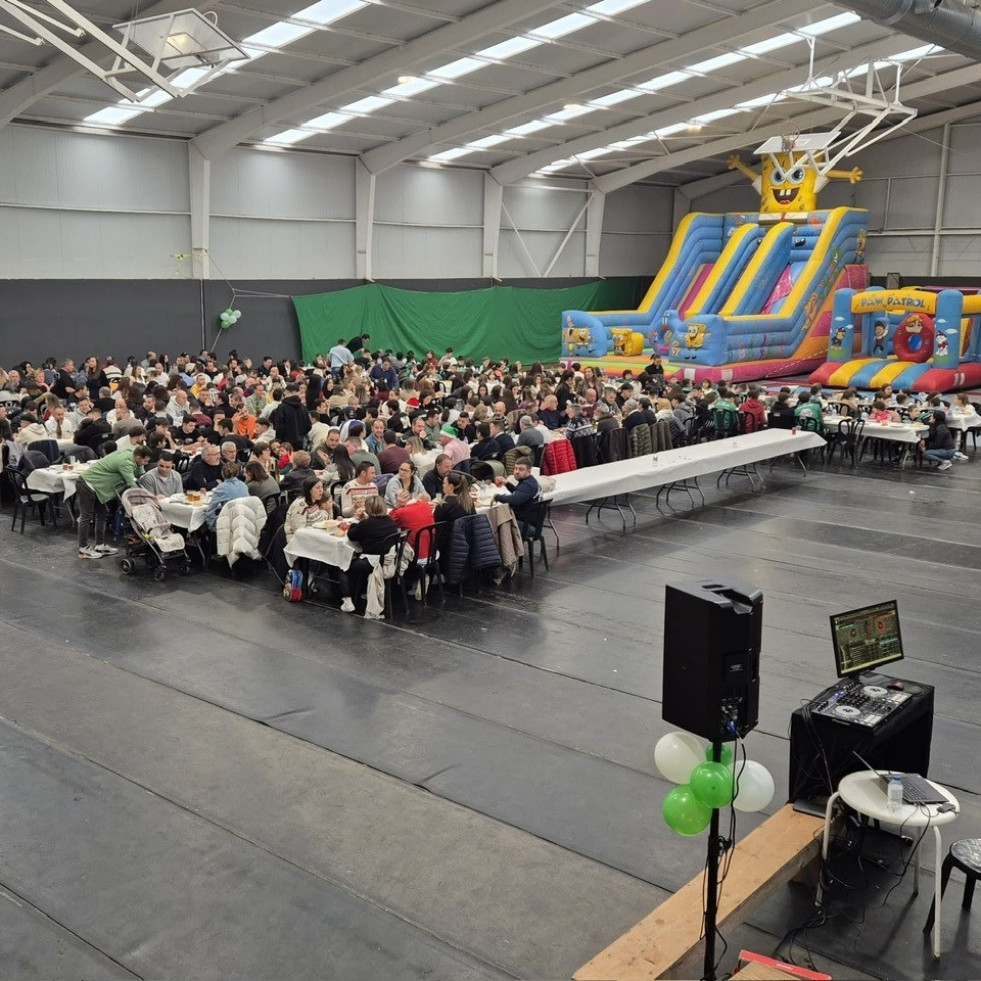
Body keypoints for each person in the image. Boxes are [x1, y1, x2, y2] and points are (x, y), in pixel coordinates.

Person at [76, 445, 152, 559]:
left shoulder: (131, 452)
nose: (146, 463)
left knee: (102, 514)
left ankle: (100, 545)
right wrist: (149, 497)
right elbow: (132, 484)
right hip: (87, 484)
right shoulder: (125, 463)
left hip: (97, 488)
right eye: (145, 461)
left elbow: (140, 472)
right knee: (86, 517)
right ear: (137, 458)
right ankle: (83, 548)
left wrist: (141, 470)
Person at [339, 494, 398, 614]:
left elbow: (352, 535)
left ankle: (347, 600)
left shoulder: (367, 524)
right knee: (356, 562)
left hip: (372, 563)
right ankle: (363, 591)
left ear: (368, 509)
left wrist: (357, 523)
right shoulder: (390, 521)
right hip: (388, 560)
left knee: (342, 565)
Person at [432, 470, 475, 573]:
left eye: (444, 483)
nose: (442, 486)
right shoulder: (468, 501)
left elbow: (435, 524)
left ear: (450, 486)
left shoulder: (444, 504)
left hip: (447, 546)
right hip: (466, 542)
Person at [493, 457, 541, 535]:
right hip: (529, 522)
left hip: (528, 526)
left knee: (495, 522)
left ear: (529, 471)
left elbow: (515, 499)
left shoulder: (527, 485)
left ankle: (504, 546)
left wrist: (497, 497)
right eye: (515, 468)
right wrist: (507, 483)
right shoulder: (529, 481)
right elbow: (520, 493)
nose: (517, 472)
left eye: (521, 469)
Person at [283, 474, 332, 540]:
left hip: (316, 535)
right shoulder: (300, 505)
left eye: (322, 487)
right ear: (309, 490)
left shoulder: (316, 501)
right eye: (317, 488)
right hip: (298, 541)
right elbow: (299, 531)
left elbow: (327, 521)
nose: (321, 490)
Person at [204, 464, 250, 529]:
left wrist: (212, 526)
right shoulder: (243, 485)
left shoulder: (221, 487)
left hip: (230, 523)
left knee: (206, 519)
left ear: (222, 473)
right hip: (245, 520)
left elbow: (210, 510)